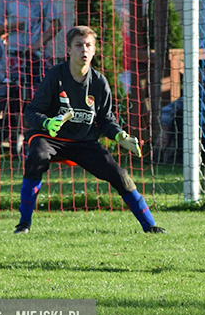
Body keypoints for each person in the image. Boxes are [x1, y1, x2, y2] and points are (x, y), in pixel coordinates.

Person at [14, 26, 165, 235]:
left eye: (88, 45)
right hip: (50, 138)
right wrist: (47, 123)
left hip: (84, 141)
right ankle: (23, 225)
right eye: (78, 45)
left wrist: (120, 135)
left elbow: (105, 119)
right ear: (68, 49)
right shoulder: (55, 76)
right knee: (37, 156)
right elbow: (31, 111)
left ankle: (150, 226)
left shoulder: (100, 82)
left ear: (94, 50)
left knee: (120, 175)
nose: (83, 50)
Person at [0, 0, 61, 94]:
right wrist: (14, 25)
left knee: (40, 93)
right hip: (13, 54)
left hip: (35, 55)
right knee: (12, 95)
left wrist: (37, 43)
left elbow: (56, 25)